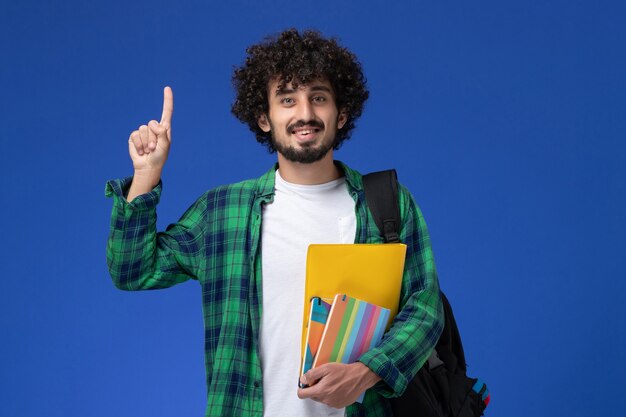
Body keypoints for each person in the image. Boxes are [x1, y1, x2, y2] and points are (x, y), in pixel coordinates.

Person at [105, 29, 443, 417]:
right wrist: (146, 175)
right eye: (287, 99)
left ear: (341, 114)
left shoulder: (385, 203)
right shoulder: (222, 212)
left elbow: (425, 308)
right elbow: (131, 270)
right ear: (264, 118)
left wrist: (368, 372)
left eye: (319, 97)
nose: (305, 113)